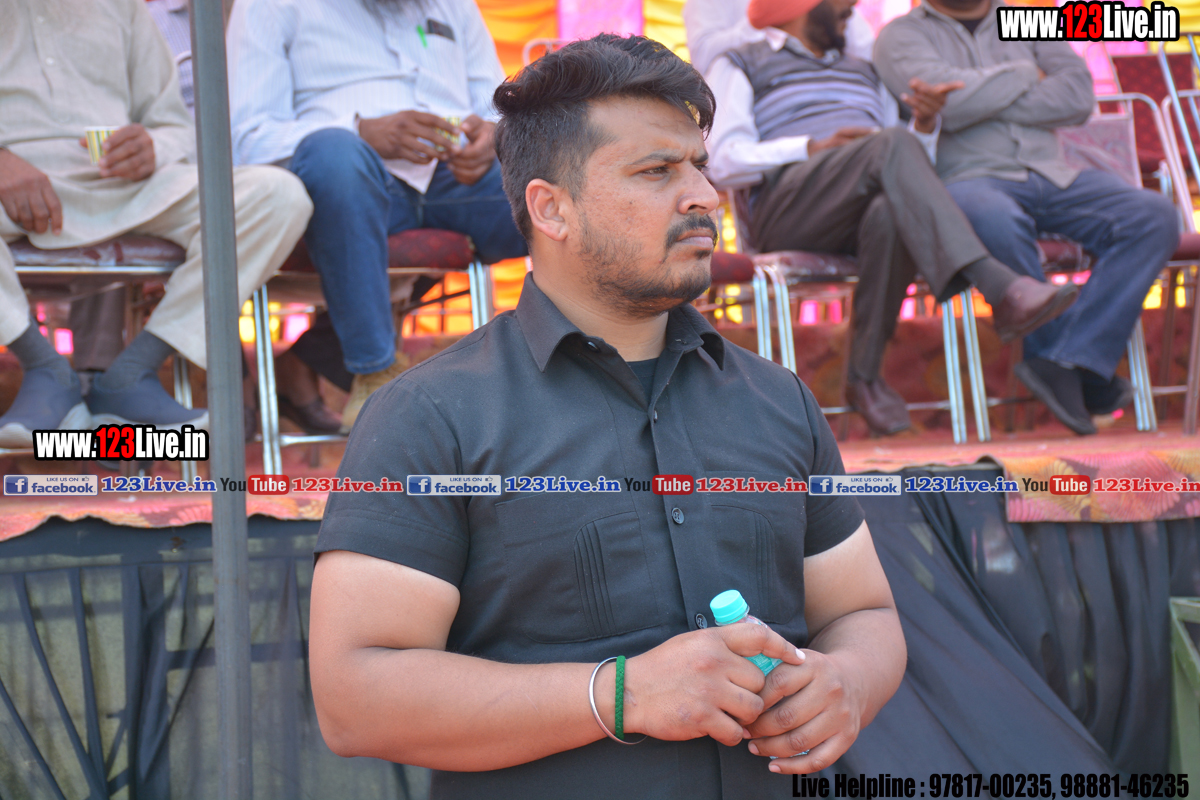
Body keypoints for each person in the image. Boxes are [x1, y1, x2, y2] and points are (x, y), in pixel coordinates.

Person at [310, 34, 908, 798]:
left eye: (698, 164)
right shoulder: (431, 416)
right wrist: (617, 696)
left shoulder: (777, 398)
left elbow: (863, 612)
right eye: (657, 171)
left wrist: (848, 680)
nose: (703, 195)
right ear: (551, 208)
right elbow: (354, 699)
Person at [705, 0, 1078, 435]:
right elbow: (722, 160)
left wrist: (925, 124)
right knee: (890, 144)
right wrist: (809, 147)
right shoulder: (740, 63)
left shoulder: (865, 71)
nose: (852, 6)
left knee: (890, 209)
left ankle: (863, 378)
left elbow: (908, 165)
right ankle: (996, 284)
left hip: (859, 207)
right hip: (789, 208)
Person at [0, 0, 312, 448]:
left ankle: (132, 375)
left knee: (276, 195)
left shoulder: (123, 7)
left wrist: (151, 148)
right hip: (11, 188)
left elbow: (173, 125)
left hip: (123, 184)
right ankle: (43, 369)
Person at [873, 0, 1180, 434]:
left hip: (1054, 174)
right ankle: (1073, 364)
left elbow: (1077, 98)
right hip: (968, 178)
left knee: (1153, 215)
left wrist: (974, 96)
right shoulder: (901, 35)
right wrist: (1025, 74)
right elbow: (949, 107)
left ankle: (1068, 359)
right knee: (992, 216)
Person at [227, 0, 529, 433]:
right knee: (335, 153)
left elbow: (495, 110)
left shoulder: (454, 6)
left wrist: (492, 136)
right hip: (341, 189)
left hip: (453, 180)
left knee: (548, 183)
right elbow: (249, 137)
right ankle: (375, 372)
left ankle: (570, 356)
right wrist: (360, 132)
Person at [684, 0, 875, 77]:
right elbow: (705, 59)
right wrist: (765, 16)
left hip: (835, 94)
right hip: (760, 111)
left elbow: (866, 55)